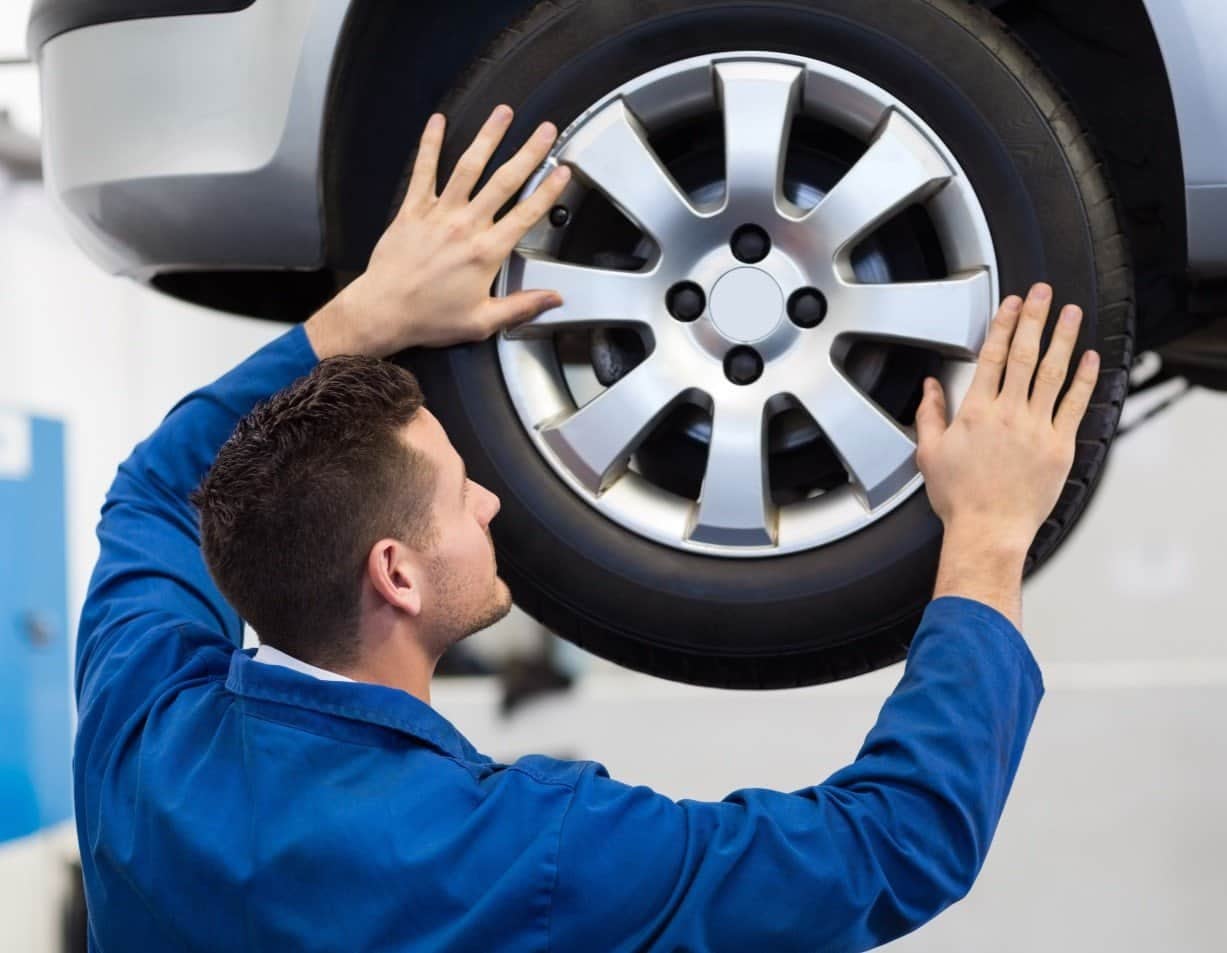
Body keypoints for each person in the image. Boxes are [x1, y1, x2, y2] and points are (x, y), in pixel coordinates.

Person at [73, 106, 1099, 951]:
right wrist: (988, 536)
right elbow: (884, 848)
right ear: (394, 573)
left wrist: (365, 319)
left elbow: (160, 495)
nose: (489, 499)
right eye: (457, 490)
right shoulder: (521, 856)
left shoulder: (140, 738)